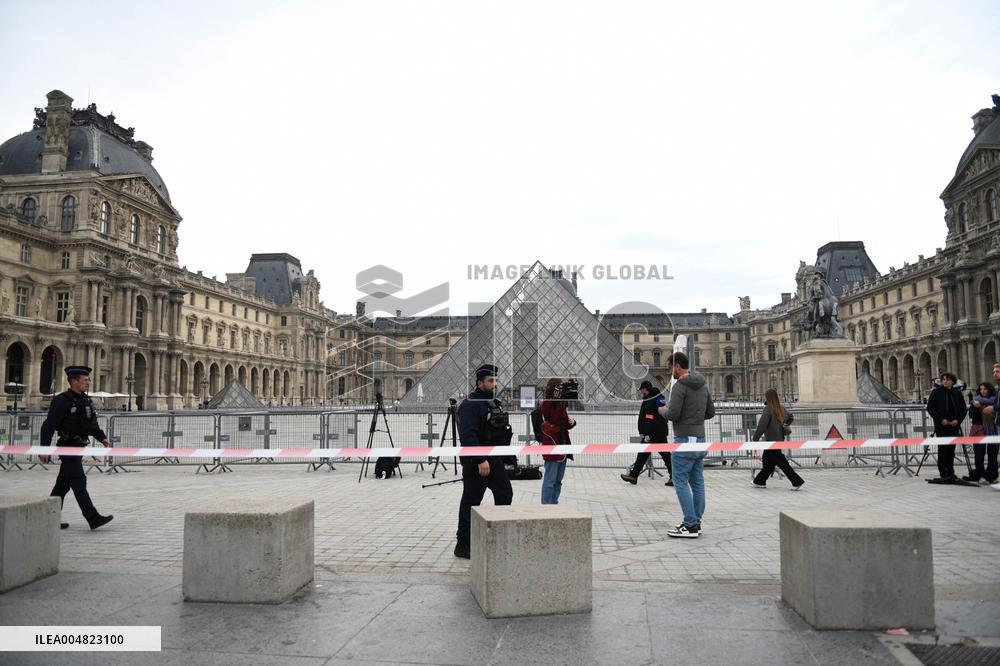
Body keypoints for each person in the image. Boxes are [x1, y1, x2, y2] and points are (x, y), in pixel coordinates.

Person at [38, 366, 114, 530]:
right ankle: (93, 518)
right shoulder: (62, 401)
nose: (88, 382)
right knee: (79, 483)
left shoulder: (85, 400)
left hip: (79, 447)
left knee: (62, 486)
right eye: (85, 380)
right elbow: (48, 425)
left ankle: (48, 520)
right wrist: (44, 448)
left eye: (88, 379)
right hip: (67, 448)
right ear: (74, 381)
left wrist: (102, 438)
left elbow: (91, 424)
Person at [454, 364, 514, 559]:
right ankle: (463, 544)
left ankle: (499, 536)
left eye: (496, 380)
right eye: (490, 381)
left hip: (494, 458)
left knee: (505, 494)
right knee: (471, 501)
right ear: (479, 383)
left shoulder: (492, 402)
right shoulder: (470, 405)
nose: (495, 384)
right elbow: (468, 435)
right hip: (476, 461)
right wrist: (480, 459)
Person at [660, 352, 714, 538]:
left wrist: (662, 410)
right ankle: (696, 522)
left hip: (684, 440)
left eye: (670, 368)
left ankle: (690, 524)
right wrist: (694, 418)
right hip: (700, 439)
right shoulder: (703, 385)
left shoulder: (680, 386)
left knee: (680, 481)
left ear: (677, 366)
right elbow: (711, 412)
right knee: (697, 482)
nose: (670, 372)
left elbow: (673, 414)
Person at [621, 379, 673, 486]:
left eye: (641, 390)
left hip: (653, 433)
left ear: (645, 389)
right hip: (660, 431)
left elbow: (649, 417)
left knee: (644, 453)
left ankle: (633, 476)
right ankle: (675, 477)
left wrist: (646, 433)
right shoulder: (658, 398)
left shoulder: (650, 400)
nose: (641, 392)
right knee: (665, 455)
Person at [750, 388, 804, 490]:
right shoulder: (781, 408)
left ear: (768, 397)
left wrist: (755, 438)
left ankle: (797, 482)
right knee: (768, 463)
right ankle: (759, 481)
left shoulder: (768, 409)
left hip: (770, 440)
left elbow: (762, 425)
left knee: (782, 463)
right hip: (779, 439)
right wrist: (784, 424)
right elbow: (791, 417)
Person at [925, 371, 966, 482]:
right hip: (941, 425)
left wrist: (958, 420)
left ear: (953, 381)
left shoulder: (957, 393)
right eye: (943, 379)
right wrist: (940, 420)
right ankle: (943, 472)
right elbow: (930, 408)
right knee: (942, 449)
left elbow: (963, 409)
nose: (945, 381)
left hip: (953, 425)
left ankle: (951, 471)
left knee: (951, 449)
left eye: (947, 379)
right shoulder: (936, 392)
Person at [540, 378, 576, 504]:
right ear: (552, 388)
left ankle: (554, 502)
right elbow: (554, 419)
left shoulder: (561, 403)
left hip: (563, 444)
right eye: (559, 388)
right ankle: (546, 504)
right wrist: (559, 402)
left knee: (558, 480)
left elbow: (563, 423)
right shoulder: (547, 403)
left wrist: (572, 422)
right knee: (550, 480)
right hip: (552, 445)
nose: (561, 391)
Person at [971, 366, 1000, 485]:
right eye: (981, 389)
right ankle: (981, 475)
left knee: (993, 454)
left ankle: (992, 475)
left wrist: (990, 409)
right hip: (979, 429)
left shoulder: (995, 399)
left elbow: (996, 411)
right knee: (979, 454)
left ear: (989, 390)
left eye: (985, 389)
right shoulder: (975, 401)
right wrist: (978, 408)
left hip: (992, 429)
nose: (983, 391)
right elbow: (971, 415)